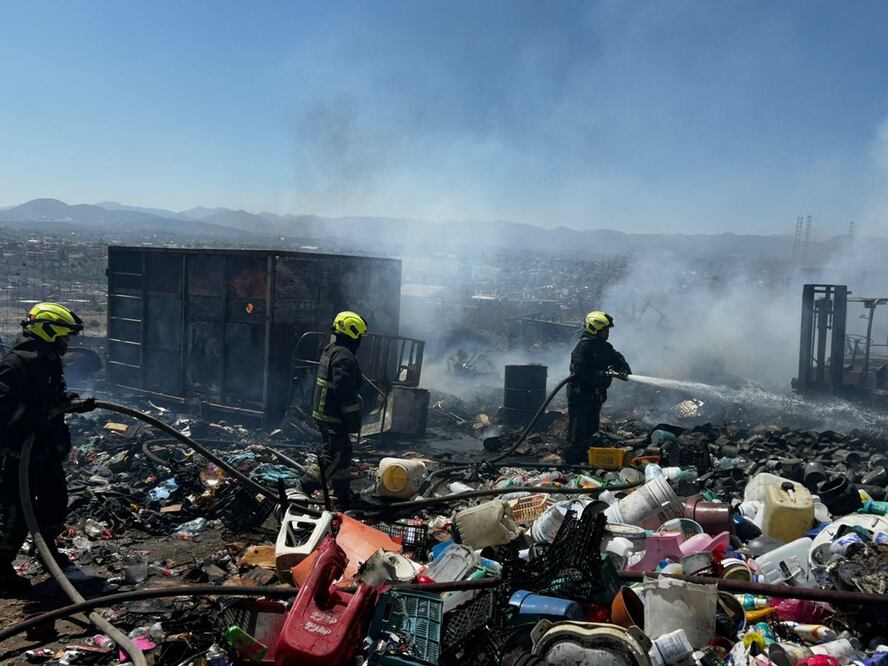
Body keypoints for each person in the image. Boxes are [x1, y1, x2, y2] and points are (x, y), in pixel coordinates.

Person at [0, 303, 93, 594]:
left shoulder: (47, 359)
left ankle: (47, 550)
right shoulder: (16, 364)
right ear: (49, 332)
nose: (67, 343)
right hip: (18, 455)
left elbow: (48, 397)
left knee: (55, 503)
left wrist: (70, 403)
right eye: (64, 337)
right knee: (15, 514)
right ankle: (1, 571)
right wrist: (31, 420)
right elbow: (3, 410)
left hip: (45, 450)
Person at [301, 311, 367, 503]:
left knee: (344, 452)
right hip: (333, 416)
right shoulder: (344, 357)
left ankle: (342, 491)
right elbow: (344, 391)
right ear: (353, 334)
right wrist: (353, 419)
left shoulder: (331, 350)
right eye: (360, 336)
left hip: (324, 413)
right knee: (334, 455)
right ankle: (304, 486)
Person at [564, 311, 631, 465]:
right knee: (577, 428)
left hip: (595, 395)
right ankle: (572, 461)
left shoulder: (605, 347)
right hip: (580, 394)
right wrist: (603, 375)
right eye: (605, 330)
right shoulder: (583, 348)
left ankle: (586, 455)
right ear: (595, 329)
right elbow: (582, 372)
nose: (607, 333)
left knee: (591, 426)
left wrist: (623, 368)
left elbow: (616, 358)